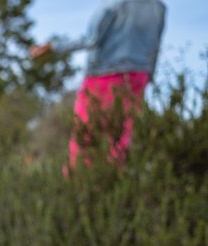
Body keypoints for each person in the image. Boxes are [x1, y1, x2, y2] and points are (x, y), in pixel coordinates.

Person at [31, 0, 167, 169]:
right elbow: (155, 46)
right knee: (120, 134)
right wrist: (149, 76)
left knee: (86, 132)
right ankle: (113, 179)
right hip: (138, 77)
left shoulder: (114, 4)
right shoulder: (158, 7)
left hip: (105, 75)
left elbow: (91, 40)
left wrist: (53, 47)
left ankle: (79, 181)